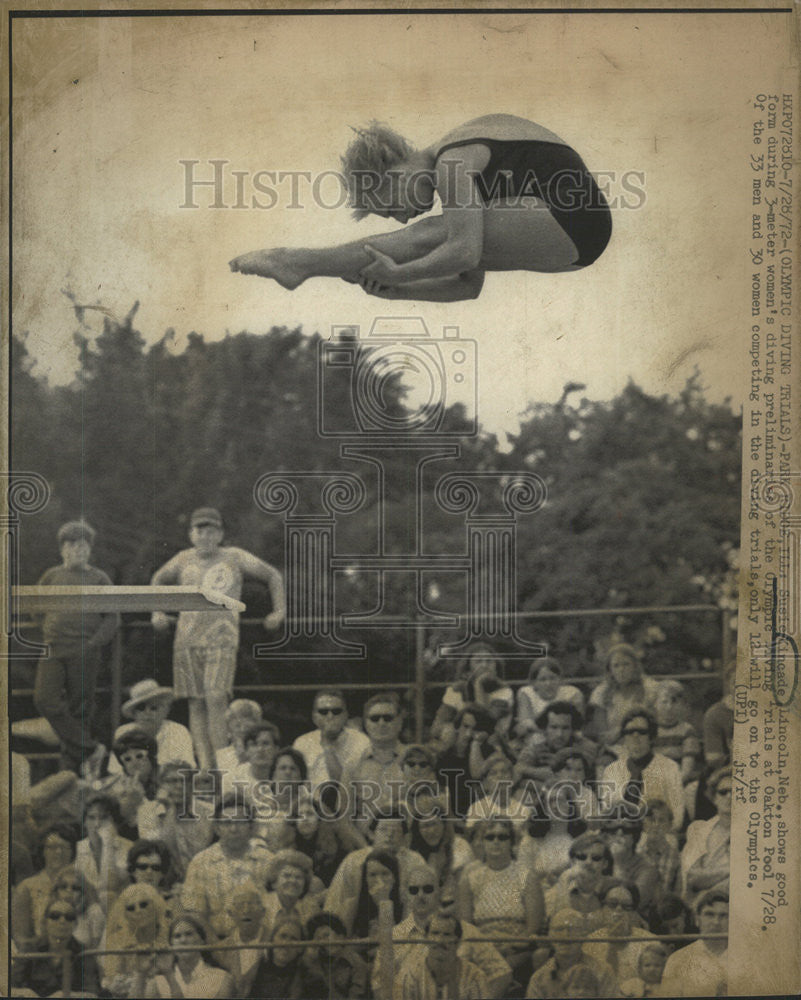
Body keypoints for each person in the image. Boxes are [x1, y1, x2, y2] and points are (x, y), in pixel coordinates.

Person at [230, 114, 612, 303]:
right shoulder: (464, 171)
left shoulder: (452, 161)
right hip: (572, 237)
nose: (401, 218)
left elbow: (463, 251)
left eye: (391, 206)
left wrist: (401, 273)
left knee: (430, 234)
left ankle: (296, 261)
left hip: (573, 217)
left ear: (395, 172)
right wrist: (403, 290)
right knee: (436, 235)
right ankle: (302, 264)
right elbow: (467, 285)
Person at [150, 506, 286, 770]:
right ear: (191, 534)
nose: (206, 536)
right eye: (200, 530)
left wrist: (279, 611)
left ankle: (224, 766)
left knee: (216, 697)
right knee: (196, 704)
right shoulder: (182, 559)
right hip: (187, 640)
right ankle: (206, 768)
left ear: (220, 533)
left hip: (221, 638)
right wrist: (157, 612)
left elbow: (272, 575)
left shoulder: (233, 556)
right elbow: (158, 578)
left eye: (212, 530)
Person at [33, 519, 119, 774]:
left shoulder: (99, 577)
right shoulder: (52, 576)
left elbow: (113, 617)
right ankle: (91, 749)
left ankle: (71, 776)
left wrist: (93, 644)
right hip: (53, 648)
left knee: (79, 711)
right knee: (44, 699)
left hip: (84, 650)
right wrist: (49, 630)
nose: (79, 551)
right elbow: (36, 608)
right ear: (62, 549)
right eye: (72, 546)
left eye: (84, 546)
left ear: (90, 550)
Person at [372, 864, 512, 1000]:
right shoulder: (394, 936)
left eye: (427, 889)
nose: (420, 895)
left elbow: (502, 973)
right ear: (405, 894)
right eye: (414, 890)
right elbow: (380, 986)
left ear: (439, 891)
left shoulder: (466, 931)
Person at [457, 817, 545, 981]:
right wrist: (486, 951)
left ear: (511, 841)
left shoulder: (527, 876)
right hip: (480, 949)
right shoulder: (469, 878)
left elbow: (533, 928)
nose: (496, 841)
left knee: (498, 971)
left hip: (518, 950)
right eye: (490, 837)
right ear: (482, 842)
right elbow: (466, 927)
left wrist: (507, 948)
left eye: (502, 837)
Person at [180, 794, 273, 938]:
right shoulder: (200, 863)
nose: (234, 829)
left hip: (262, 944)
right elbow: (195, 914)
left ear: (251, 826)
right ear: (217, 828)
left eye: (240, 822)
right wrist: (218, 950)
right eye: (227, 823)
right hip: (216, 944)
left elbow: (273, 910)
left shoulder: (267, 860)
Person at [601, 708, 685, 831]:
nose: (635, 736)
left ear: (651, 736)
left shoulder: (669, 768)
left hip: (656, 833)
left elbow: (678, 817)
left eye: (642, 732)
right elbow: (606, 813)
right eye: (630, 732)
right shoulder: (612, 770)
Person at [11, 899, 101, 998]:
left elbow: (92, 993)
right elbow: (10, 986)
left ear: (75, 924)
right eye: (55, 916)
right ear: (45, 922)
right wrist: (25, 992)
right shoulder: (30, 949)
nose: (62, 921)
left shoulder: (84, 953)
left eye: (69, 917)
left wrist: (66, 995)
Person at [11, 822, 81, 949]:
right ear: (43, 851)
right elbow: (21, 938)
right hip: (39, 958)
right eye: (52, 847)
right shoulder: (26, 887)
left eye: (64, 847)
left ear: (73, 851)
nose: (58, 852)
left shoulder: (83, 884)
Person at [341, 692, 408, 824]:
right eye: (375, 718)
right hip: (364, 842)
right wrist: (363, 844)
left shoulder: (415, 760)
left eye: (388, 718)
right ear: (366, 724)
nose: (381, 723)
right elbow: (344, 819)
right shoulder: (352, 764)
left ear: (399, 723)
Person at [526, 908, 618, 999]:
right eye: (559, 929)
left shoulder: (603, 972)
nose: (566, 935)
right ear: (550, 935)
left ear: (584, 935)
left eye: (572, 928)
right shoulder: (539, 979)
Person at [108, 679, 197, 773]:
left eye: (154, 708)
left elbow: (186, 769)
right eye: (141, 708)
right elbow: (116, 771)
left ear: (165, 711)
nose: (147, 712)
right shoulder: (124, 732)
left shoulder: (178, 731)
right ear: (134, 713)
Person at [138, 912, 233, 999]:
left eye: (189, 934)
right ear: (171, 944)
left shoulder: (222, 978)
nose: (183, 940)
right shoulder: (157, 983)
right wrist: (141, 973)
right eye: (177, 936)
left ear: (202, 941)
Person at [292, 688, 371, 791]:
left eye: (336, 711)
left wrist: (327, 745)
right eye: (323, 712)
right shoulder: (301, 743)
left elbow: (345, 787)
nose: (330, 716)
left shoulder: (362, 742)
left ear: (345, 715)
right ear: (314, 716)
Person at [399, 912, 489, 1000]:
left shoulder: (474, 977)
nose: (440, 940)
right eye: (435, 933)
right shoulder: (412, 977)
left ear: (458, 941)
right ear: (426, 938)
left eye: (447, 934)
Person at [657, 889, 729, 996]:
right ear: (697, 919)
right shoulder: (677, 960)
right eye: (709, 914)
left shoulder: (748, 958)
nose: (716, 922)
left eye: (723, 916)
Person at [588, 643, 662, 747]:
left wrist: (621, 730)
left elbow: (653, 724)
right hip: (614, 747)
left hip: (645, 745)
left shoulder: (650, 688)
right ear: (610, 670)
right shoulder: (601, 692)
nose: (621, 670)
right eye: (616, 665)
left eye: (626, 664)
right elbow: (603, 735)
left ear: (635, 666)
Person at [582, 879, 656, 983]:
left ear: (633, 913)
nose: (618, 911)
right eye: (612, 904)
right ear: (602, 909)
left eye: (626, 907)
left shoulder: (649, 943)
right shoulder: (590, 943)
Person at [680, 766, 732, 906]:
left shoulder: (756, 832)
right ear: (714, 797)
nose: (730, 797)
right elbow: (691, 877)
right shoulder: (699, 830)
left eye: (737, 791)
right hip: (701, 904)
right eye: (723, 792)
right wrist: (731, 870)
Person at [75, 793, 134, 913]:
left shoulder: (128, 848)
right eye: (91, 818)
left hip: (119, 910)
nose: (97, 824)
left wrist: (108, 844)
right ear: (84, 822)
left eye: (103, 818)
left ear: (114, 822)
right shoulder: (77, 849)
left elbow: (109, 887)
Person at [212, 881, 272, 995]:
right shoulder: (221, 949)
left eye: (252, 904)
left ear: (263, 911)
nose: (246, 910)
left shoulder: (274, 942)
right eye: (240, 905)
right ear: (230, 913)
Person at [516, 657, 585, 734]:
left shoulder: (572, 693)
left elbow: (577, 725)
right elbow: (525, 722)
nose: (548, 684)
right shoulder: (527, 693)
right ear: (533, 683)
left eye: (552, 678)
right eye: (543, 680)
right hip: (536, 738)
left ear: (560, 679)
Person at [216, 698, 263, 775]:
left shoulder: (263, 753)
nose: (242, 729)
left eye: (247, 727)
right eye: (237, 726)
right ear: (229, 728)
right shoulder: (220, 756)